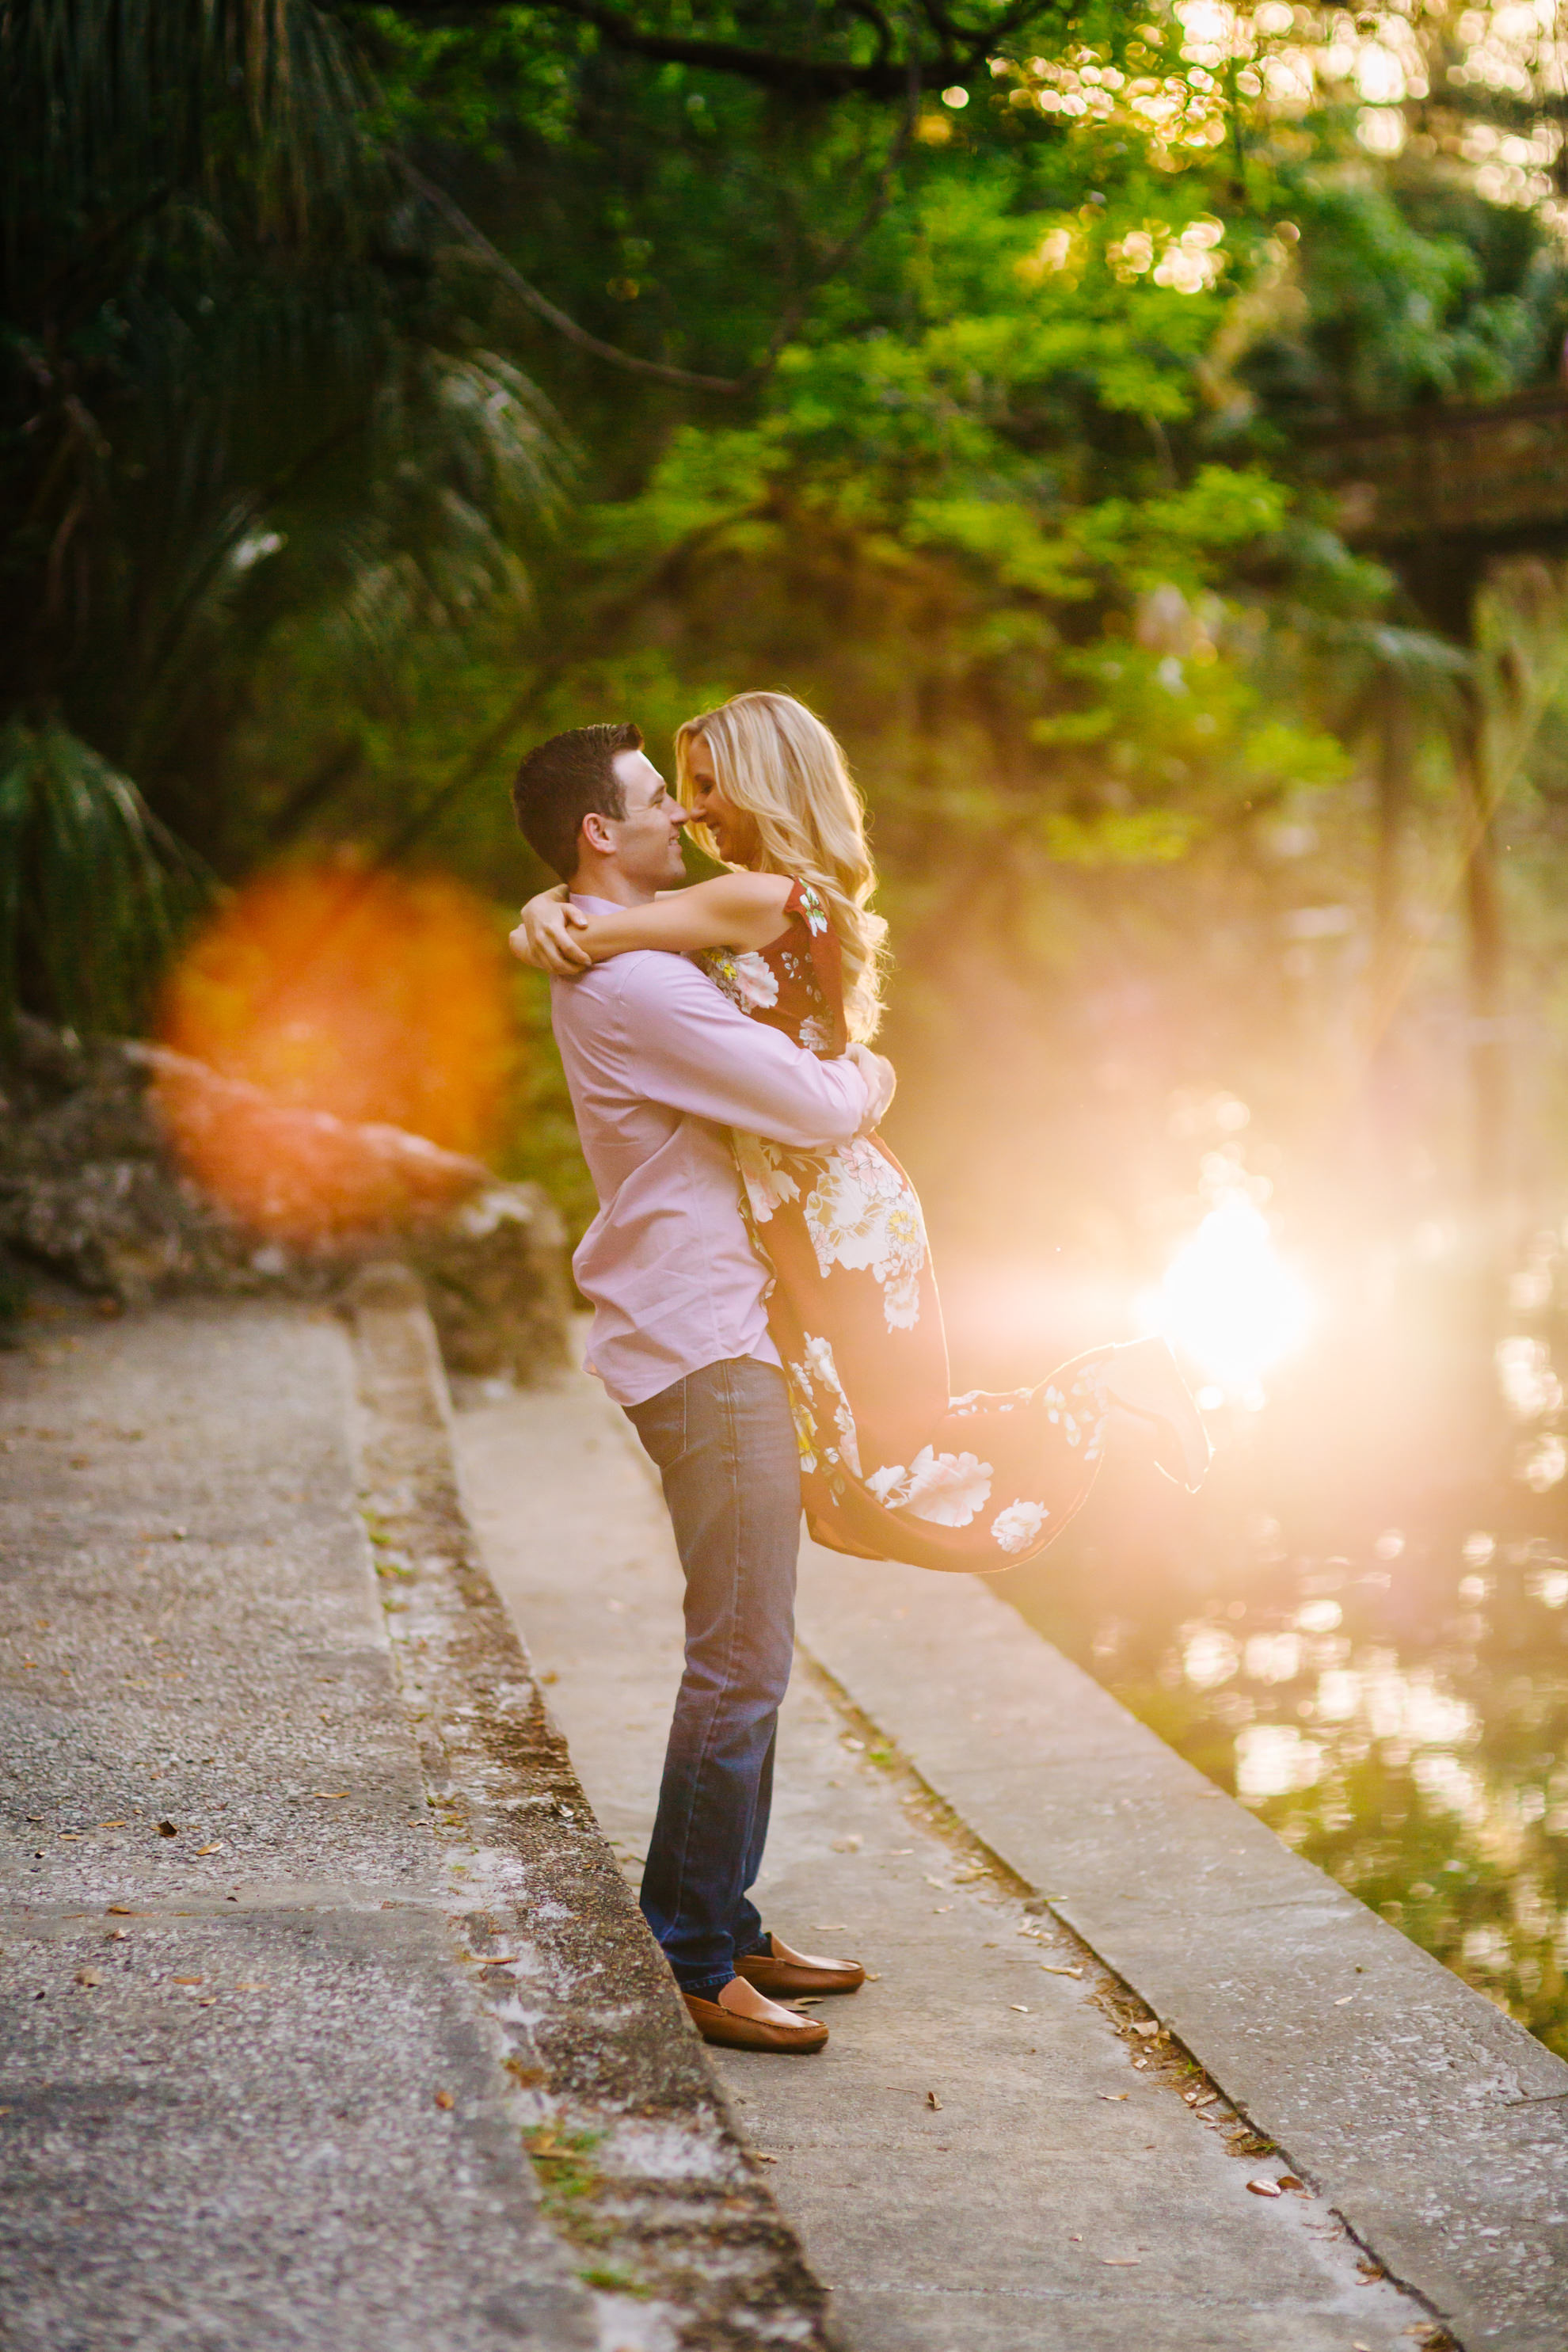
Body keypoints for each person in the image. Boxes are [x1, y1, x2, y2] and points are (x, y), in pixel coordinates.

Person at [512, 691, 1211, 1583]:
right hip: (810, 1201)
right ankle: (1100, 1393)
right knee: (861, 1444)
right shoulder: (774, 897)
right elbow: (604, 926)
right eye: (679, 791)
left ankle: (1109, 1386)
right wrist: (547, 906)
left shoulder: (752, 896)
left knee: (888, 1448)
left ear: (767, 787)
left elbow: (599, 929)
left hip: (831, 1203)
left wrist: (543, 917)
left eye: (707, 787)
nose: (689, 812)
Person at [509, 720, 896, 2058]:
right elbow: (813, 1104)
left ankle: (724, 1918)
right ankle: (686, 1951)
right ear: (595, 837)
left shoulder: (634, 949)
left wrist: (552, 917)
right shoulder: (642, 989)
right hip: (703, 1347)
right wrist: (877, 1076)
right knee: (740, 1656)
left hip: (713, 1332)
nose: (678, 813)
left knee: (754, 1649)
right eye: (652, 800)